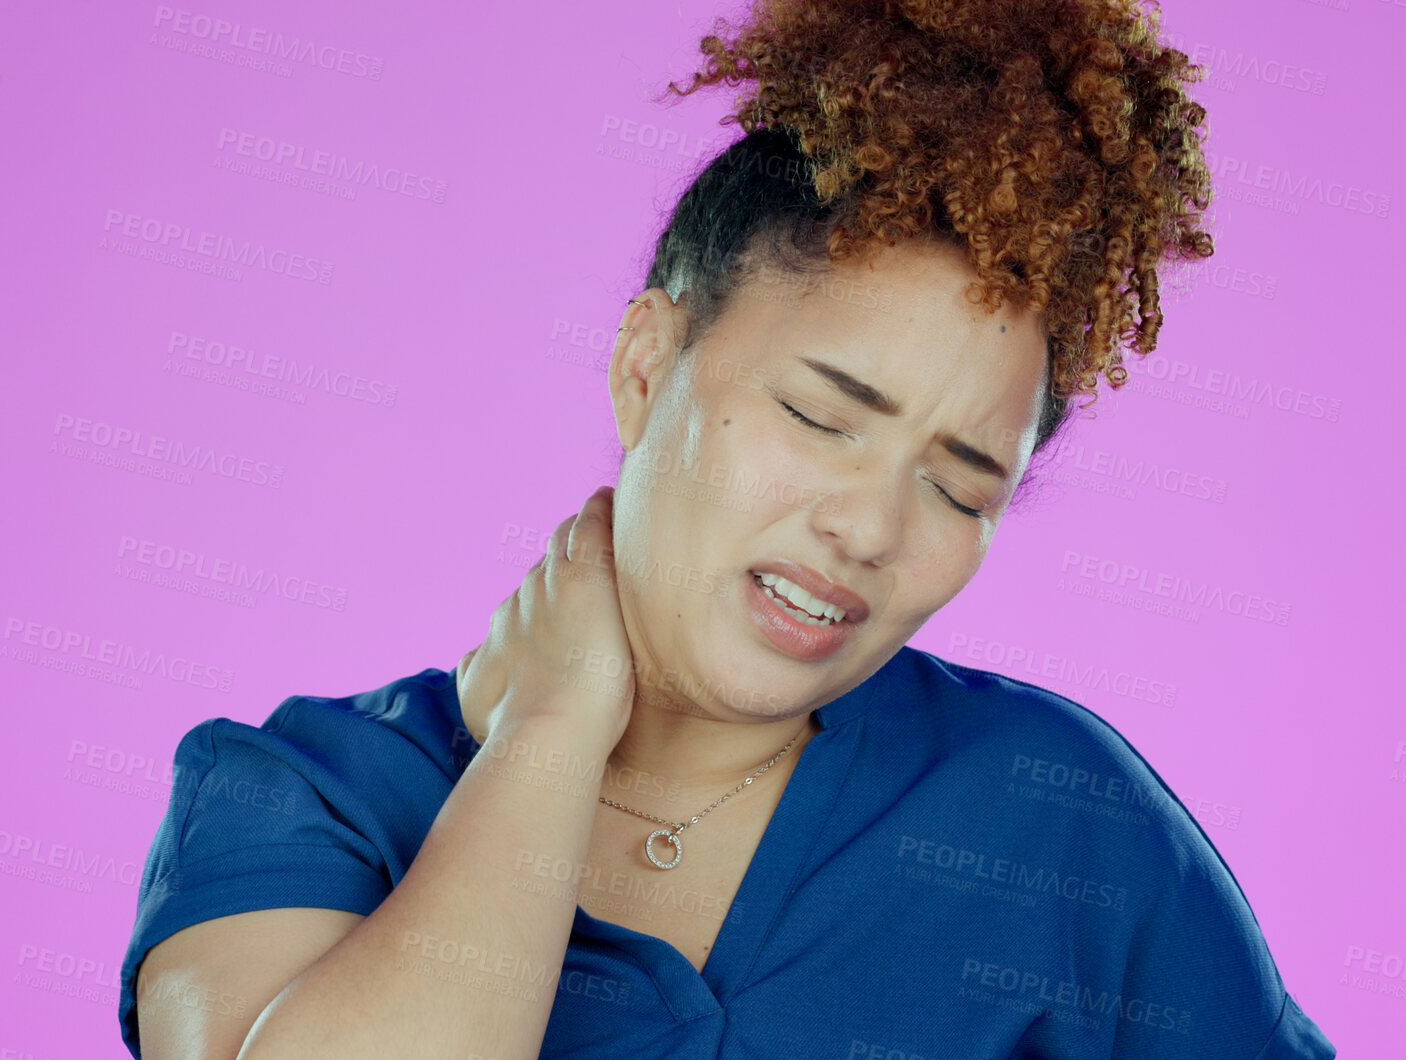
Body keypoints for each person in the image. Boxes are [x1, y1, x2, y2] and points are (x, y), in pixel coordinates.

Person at [119, 1, 1337, 1057]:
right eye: (819, 415)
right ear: (648, 363)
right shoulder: (306, 798)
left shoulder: (1061, 818)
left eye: (961, 487)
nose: (867, 526)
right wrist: (547, 737)